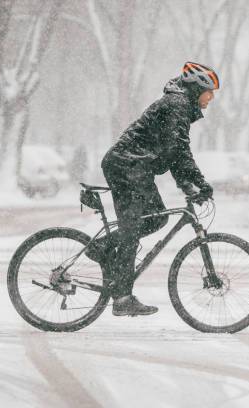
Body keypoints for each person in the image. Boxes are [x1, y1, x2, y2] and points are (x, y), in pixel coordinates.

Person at [86, 62, 220, 316]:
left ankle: (103, 248)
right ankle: (122, 298)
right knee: (132, 229)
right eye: (209, 91)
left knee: (156, 220)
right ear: (196, 88)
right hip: (127, 165)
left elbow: (173, 152)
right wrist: (199, 183)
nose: (211, 97)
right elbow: (179, 150)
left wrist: (187, 184)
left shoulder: (179, 105)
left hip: (135, 167)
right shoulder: (176, 106)